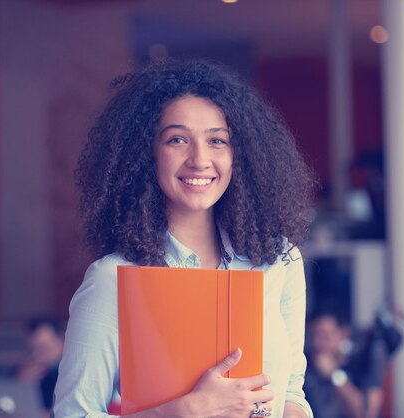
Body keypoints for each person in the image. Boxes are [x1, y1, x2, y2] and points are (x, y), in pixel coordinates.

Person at [53, 59, 316, 418]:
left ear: (241, 154)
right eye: (177, 139)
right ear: (146, 153)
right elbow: (73, 414)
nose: (200, 159)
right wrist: (184, 411)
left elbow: (290, 394)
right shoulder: (113, 278)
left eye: (217, 140)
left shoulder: (278, 259)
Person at [304, 310, 386, 418]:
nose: (317, 343)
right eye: (314, 336)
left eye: (325, 335)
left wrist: (334, 374)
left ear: (343, 334)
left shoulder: (360, 362)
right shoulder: (305, 365)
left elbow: (364, 414)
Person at [16, 316, 65, 417]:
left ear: (61, 343)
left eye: (44, 348)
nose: (36, 354)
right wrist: (20, 385)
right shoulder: (23, 371)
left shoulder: (70, 374)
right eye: (32, 349)